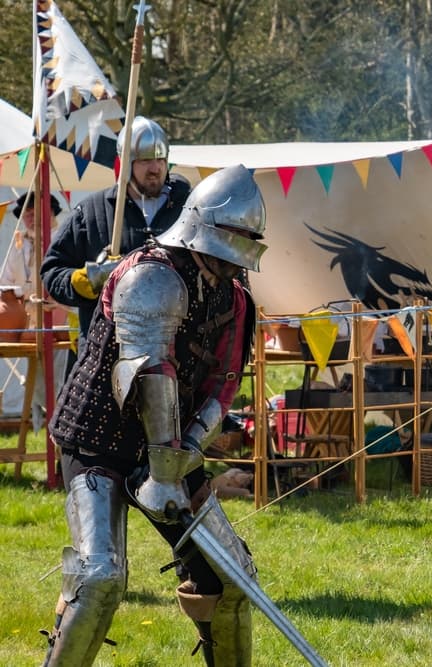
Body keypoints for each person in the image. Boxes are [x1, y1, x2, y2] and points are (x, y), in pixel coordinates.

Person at [40, 164, 267, 666]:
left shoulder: (232, 297)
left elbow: (222, 385)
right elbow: (150, 372)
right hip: (98, 438)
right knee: (99, 577)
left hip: (167, 450)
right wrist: (165, 465)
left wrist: (185, 452)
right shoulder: (151, 276)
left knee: (231, 578)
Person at [40, 116, 191, 357]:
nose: (155, 168)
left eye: (160, 159)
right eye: (145, 160)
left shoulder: (189, 208)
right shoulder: (92, 211)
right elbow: (52, 271)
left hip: (177, 351)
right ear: (127, 162)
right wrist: (87, 280)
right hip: (106, 351)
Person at [0, 192, 70, 427]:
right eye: (28, 215)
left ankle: (62, 423)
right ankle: (48, 420)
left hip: (61, 323)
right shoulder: (18, 245)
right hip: (29, 327)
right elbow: (6, 283)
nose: (32, 218)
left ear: (51, 214)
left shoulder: (64, 241)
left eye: (38, 213)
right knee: (38, 378)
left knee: (62, 378)